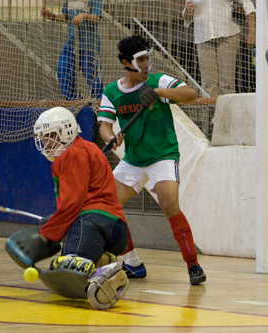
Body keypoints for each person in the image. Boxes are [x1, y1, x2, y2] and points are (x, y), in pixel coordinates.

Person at [97, 35, 207, 285]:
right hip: (133, 159)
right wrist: (111, 137)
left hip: (163, 155)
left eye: (148, 58)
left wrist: (158, 93)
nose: (147, 64)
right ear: (126, 62)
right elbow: (104, 124)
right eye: (141, 59)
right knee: (107, 205)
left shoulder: (158, 81)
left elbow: (190, 94)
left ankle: (193, 265)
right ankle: (133, 263)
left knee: (169, 204)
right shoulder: (112, 91)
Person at [5, 106, 129, 309]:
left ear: (66, 131)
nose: (45, 143)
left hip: (91, 224)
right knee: (70, 262)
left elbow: (73, 204)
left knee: (69, 266)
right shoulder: (87, 148)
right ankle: (103, 261)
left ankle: (107, 278)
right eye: (43, 138)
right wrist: (56, 222)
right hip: (115, 229)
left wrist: (48, 234)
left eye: (49, 136)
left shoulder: (72, 155)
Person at [182, 0, 256, 97]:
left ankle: (226, 112)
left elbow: (247, 4)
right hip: (203, 37)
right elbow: (187, 18)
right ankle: (211, 112)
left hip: (228, 34)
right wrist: (188, 10)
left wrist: (252, 32)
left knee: (227, 83)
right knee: (208, 85)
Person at [40, 1, 103, 100]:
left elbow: (97, 18)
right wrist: (52, 16)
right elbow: (66, 16)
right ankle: (74, 101)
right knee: (63, 69)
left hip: (89, 43)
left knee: (91, 73)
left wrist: (84, 16)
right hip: (71, 42)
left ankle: (98, 102)